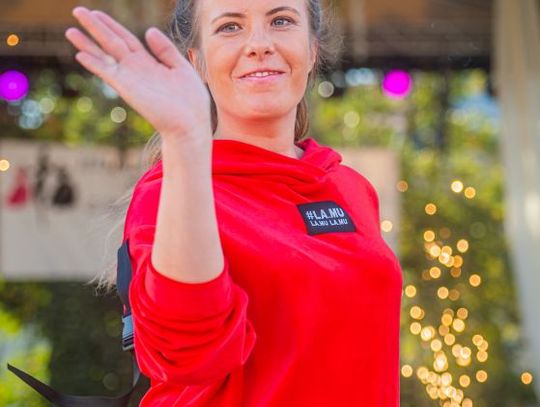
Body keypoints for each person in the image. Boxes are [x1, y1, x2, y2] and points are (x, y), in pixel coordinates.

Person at [65, 0, 403, 405]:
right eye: (230, 27)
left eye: (281, 20)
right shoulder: (175, 187)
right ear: (198, 63)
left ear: (313, 49)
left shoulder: (350, 188)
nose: (259, 44)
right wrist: (184, 140)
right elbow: (189, 356)